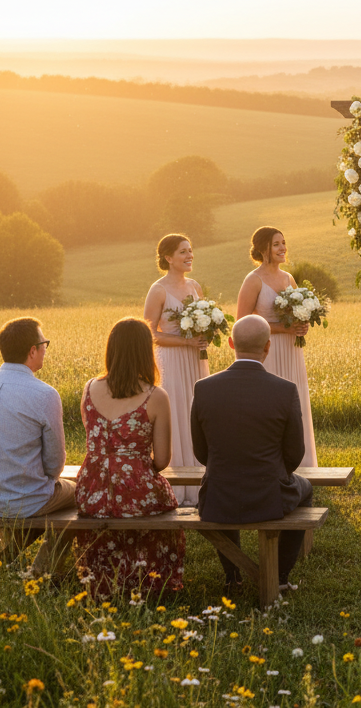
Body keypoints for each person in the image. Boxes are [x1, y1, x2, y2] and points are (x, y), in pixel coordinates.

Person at [191, 315, 313, 593]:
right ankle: (279, 576)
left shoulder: (204, 388)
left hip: (218, 497)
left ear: (231, 343)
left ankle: (233, 575)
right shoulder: (285, 390)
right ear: (268, 346)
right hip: (270, 497)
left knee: (223, 483)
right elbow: (295, 454)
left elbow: (201, 452)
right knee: (305, 490)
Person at [73, 318, 184, 597]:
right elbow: (161, 461)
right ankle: (146, 580)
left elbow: (94, 439)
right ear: (146, 353)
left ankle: (103, 579)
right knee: (162, 510)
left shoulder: (89, 388)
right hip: (136, 490)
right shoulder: (155, 396)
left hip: (93, 490)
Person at [0, 317, 74, 575]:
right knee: (83, 496)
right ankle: (42, 570)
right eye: (44, 343)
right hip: (26, 500)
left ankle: (2, 561)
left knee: (32, 493)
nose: (46, 349)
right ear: (32, 351)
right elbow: (55, 464)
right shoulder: (45, 394)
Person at [236, 226, 318, 467]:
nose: (283, 248)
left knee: (294, 401)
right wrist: (284, 328)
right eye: (276, 244)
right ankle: (271, 462)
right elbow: (242, 323)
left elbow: (296, 316)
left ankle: (300, 464)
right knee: (271, 405)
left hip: (292, 350)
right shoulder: (253, 280)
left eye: (283, 242)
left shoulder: (288, 278)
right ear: (264, 249)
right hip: (268, 351)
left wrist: (302, 325)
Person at [143, 233, 209, 506]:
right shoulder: (158, 290)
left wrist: (206, 335)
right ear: (168, 257)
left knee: (196, 413)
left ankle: (200, 481)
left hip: (195, 359)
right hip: (170, 360)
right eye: (183, 251)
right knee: (176, 413)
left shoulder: (194, 286)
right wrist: (186, 341)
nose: (189, 255)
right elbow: (149, 332)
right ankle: (175, 486)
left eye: (190, 250)